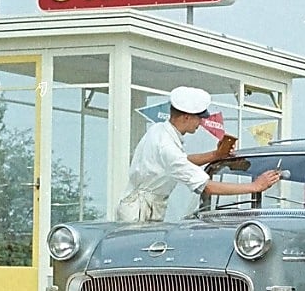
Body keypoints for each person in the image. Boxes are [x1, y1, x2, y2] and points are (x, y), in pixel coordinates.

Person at [116, 86, 281, 222]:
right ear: (186, 117)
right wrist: (255, 186)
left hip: (146, 206)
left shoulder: (159, 131)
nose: (201, 122)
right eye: (199, 118)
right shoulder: (166, 146)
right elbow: (206, 186)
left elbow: (182, 162)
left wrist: (216, 155)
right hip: (140, 212)